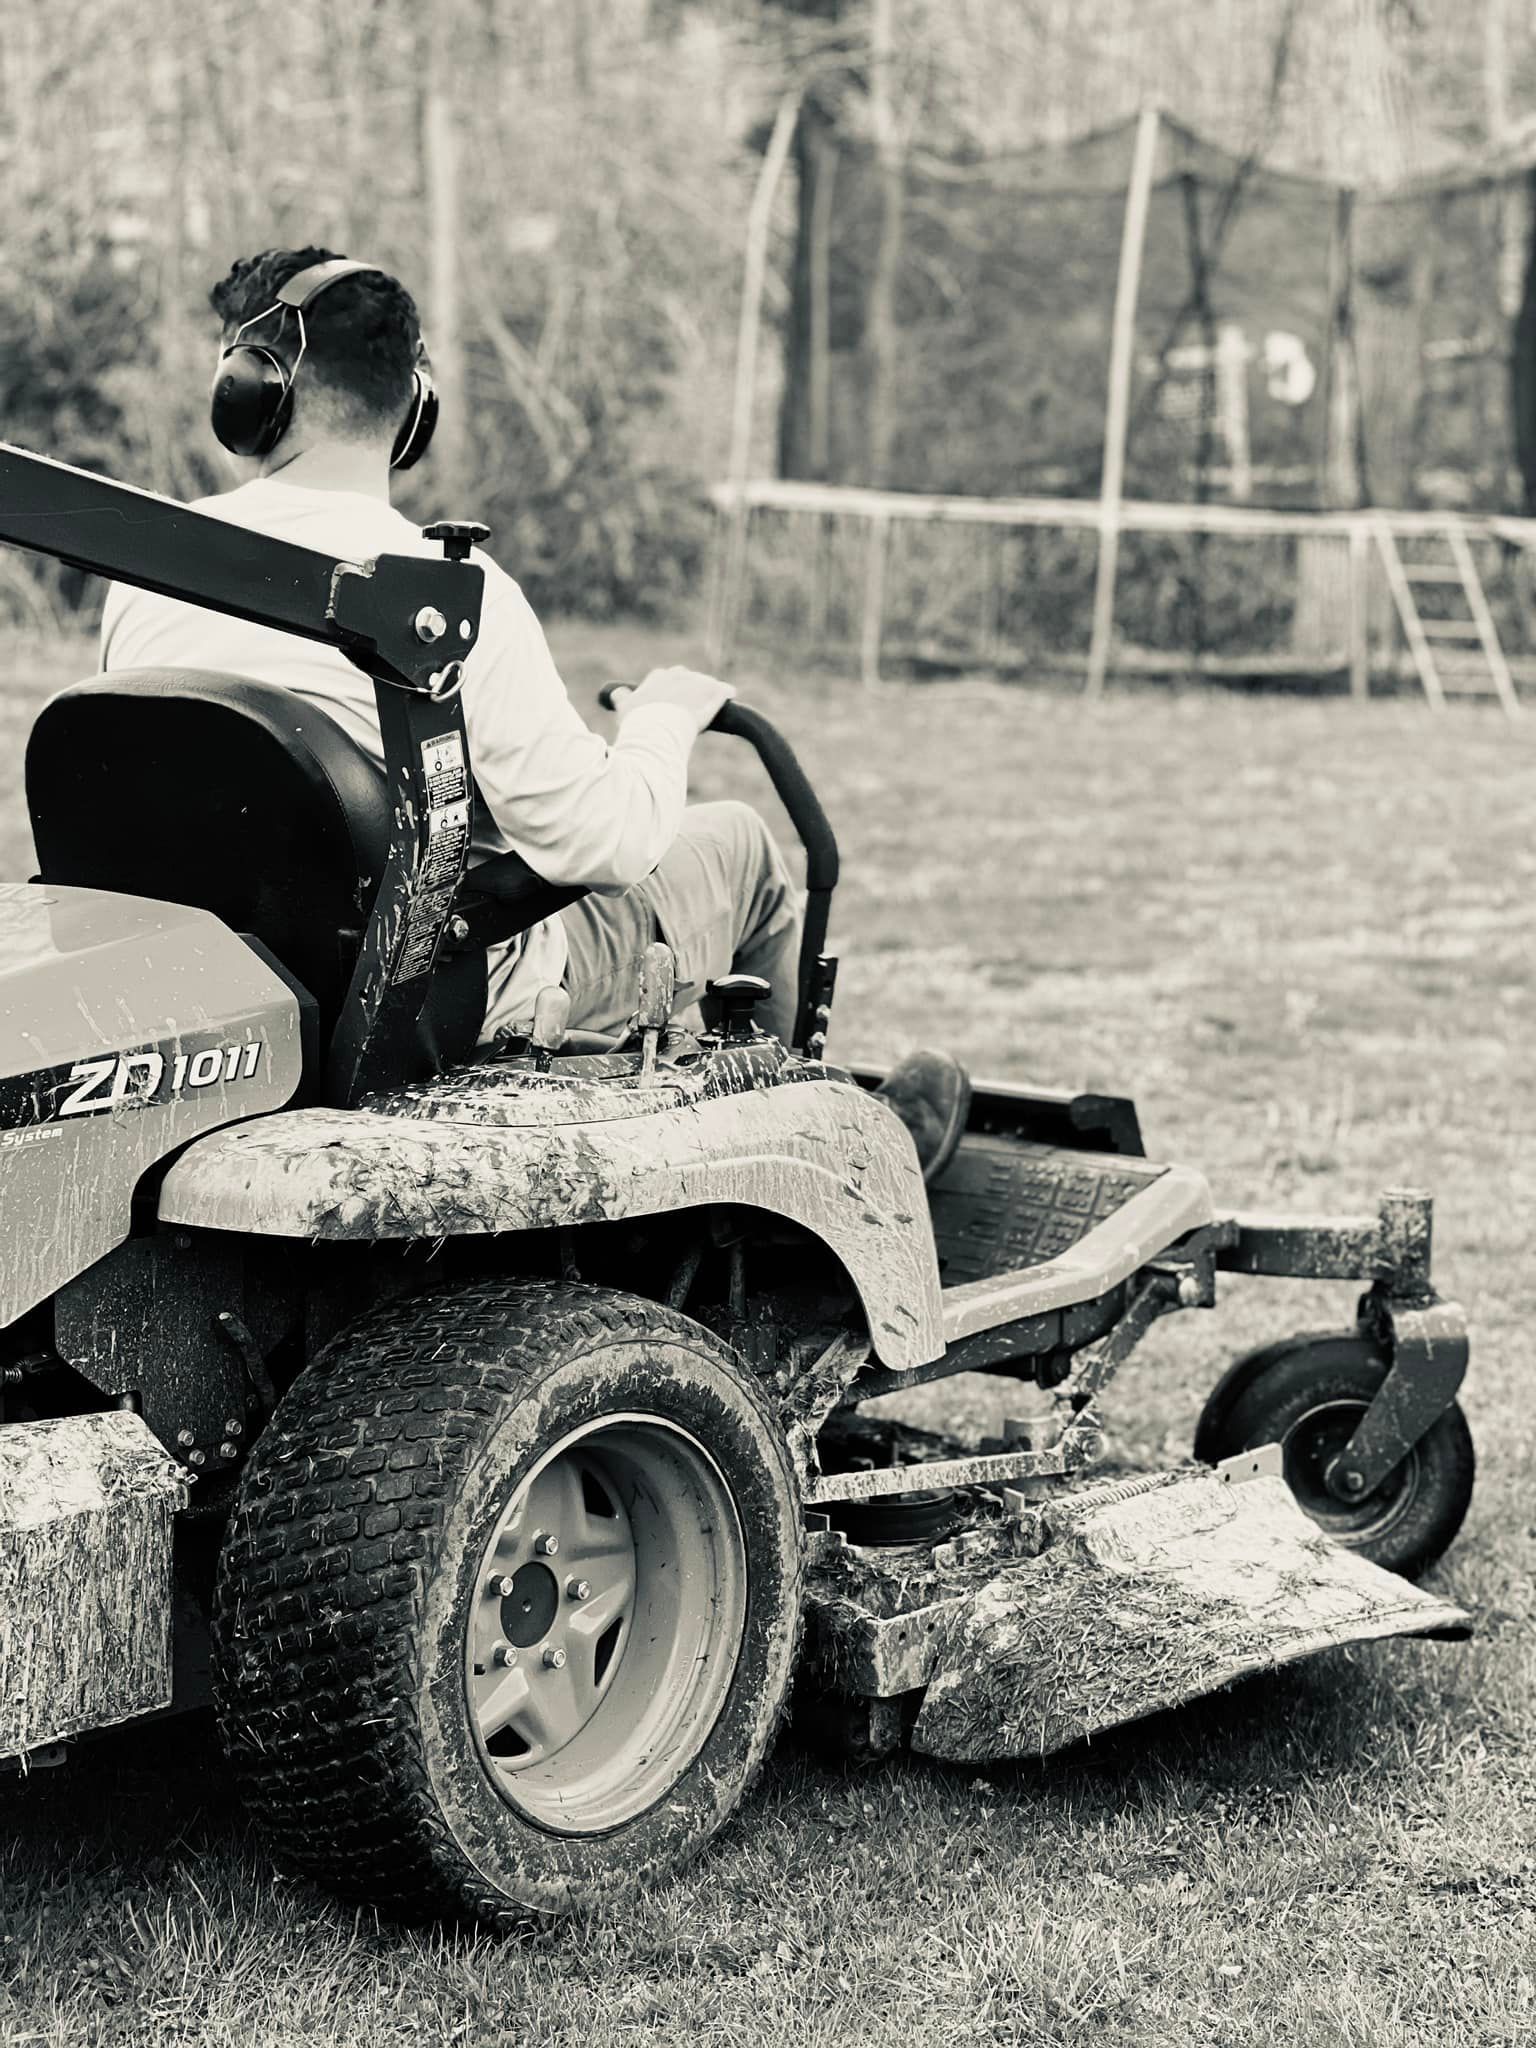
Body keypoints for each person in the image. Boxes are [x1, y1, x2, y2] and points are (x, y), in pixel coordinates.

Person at [98, 246, 968, 1177]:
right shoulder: (453, 598)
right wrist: (662, 719)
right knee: (746, 848)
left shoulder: (148, 578)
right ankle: (834, 1167)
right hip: (423, 991)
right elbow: (605, 844)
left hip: (223, 982)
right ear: (411, 413)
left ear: (250, 391)